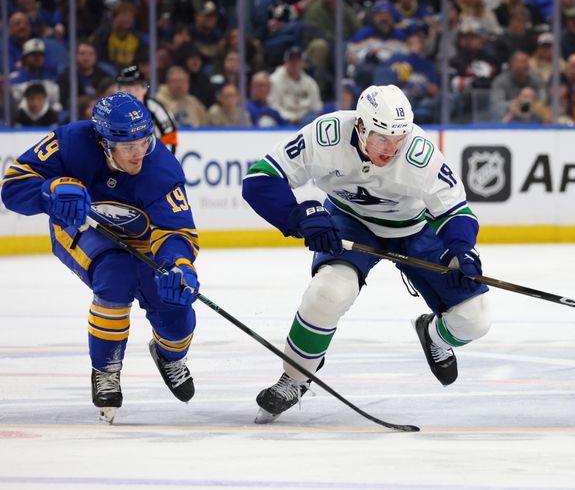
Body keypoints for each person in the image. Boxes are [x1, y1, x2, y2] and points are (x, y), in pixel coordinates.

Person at [241, 85, 491, 423]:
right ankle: (296, 377)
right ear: (360, 127)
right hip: (350, 220)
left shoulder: (420, 154)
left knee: (474, 319)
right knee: (327, 293)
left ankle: (434, 336)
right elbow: (259, 179)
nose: (392, 148)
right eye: (382, 138)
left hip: (415, 228)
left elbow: (455, 211)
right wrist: (297, 216)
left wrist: (462, 249)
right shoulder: (326, 135)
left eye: (399, 138)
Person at [0, 93, 201, 423]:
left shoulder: (162, 169)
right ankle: (106, 370)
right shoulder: (70, 142)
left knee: (175, 308)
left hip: (142, 239)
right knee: (115, 276)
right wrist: (49, 192)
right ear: (104, 143)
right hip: (81, 227)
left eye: (144, 142)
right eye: (128, 146)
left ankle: (170, 355)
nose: (139, 153)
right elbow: (12, 187)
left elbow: (176, 231)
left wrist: (179, 265)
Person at [116, 66, 179, 154]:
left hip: (153, 158)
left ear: (144, 89)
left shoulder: (155, 109)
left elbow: (170, 136)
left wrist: (162, 159)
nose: (132, 94)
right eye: (127, 90)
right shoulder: (111, 111)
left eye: (136, 89)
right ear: (118, 90)